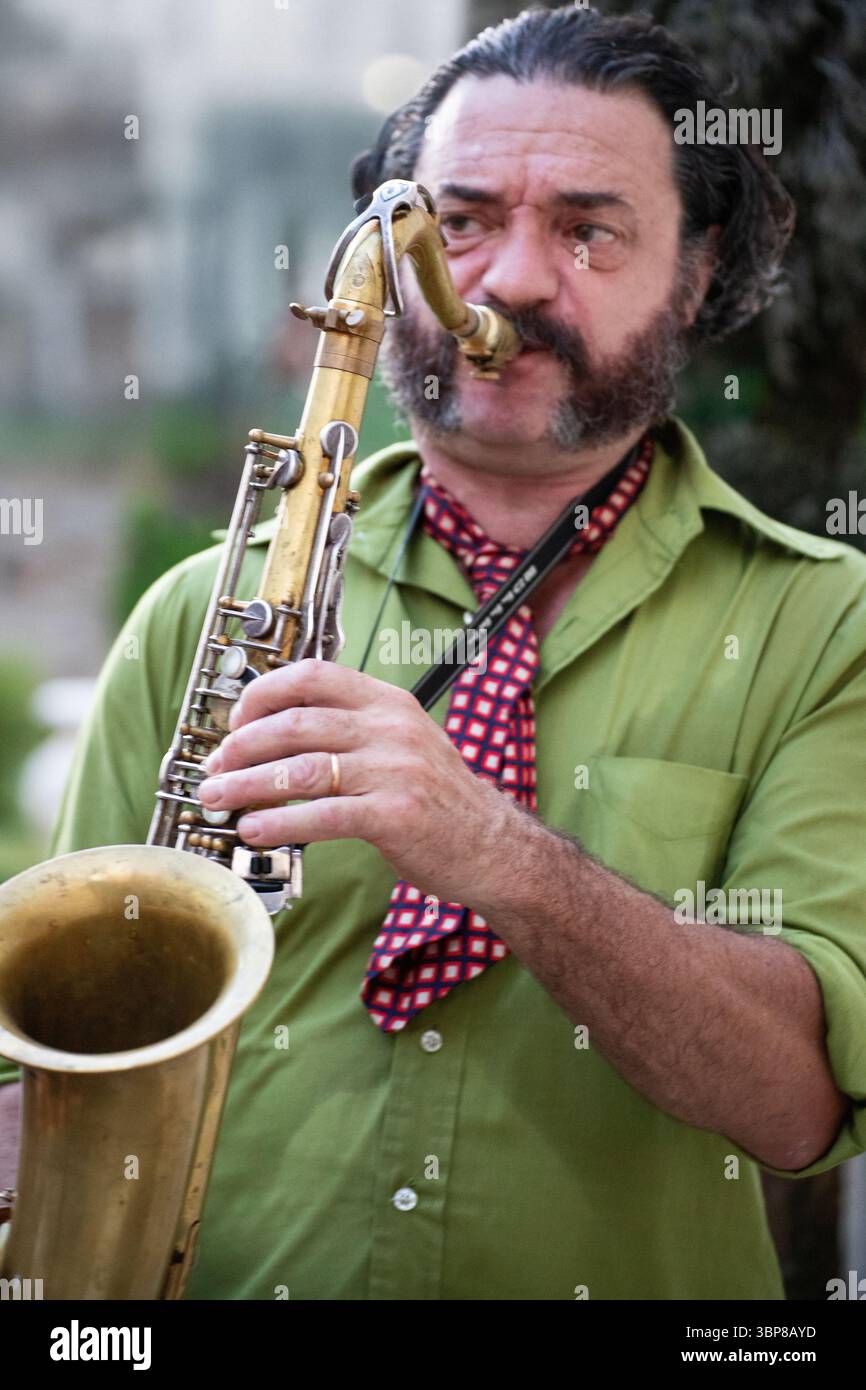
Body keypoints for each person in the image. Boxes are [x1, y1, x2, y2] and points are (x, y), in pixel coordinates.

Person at [2, 7, 865, 1300]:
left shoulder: (823, 621)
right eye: (458, 224)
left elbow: (795, 1105)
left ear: (695, 272)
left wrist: (489, 845)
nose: (506, 283)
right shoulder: (199, 612)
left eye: (586, 229)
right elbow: (66, 1054)